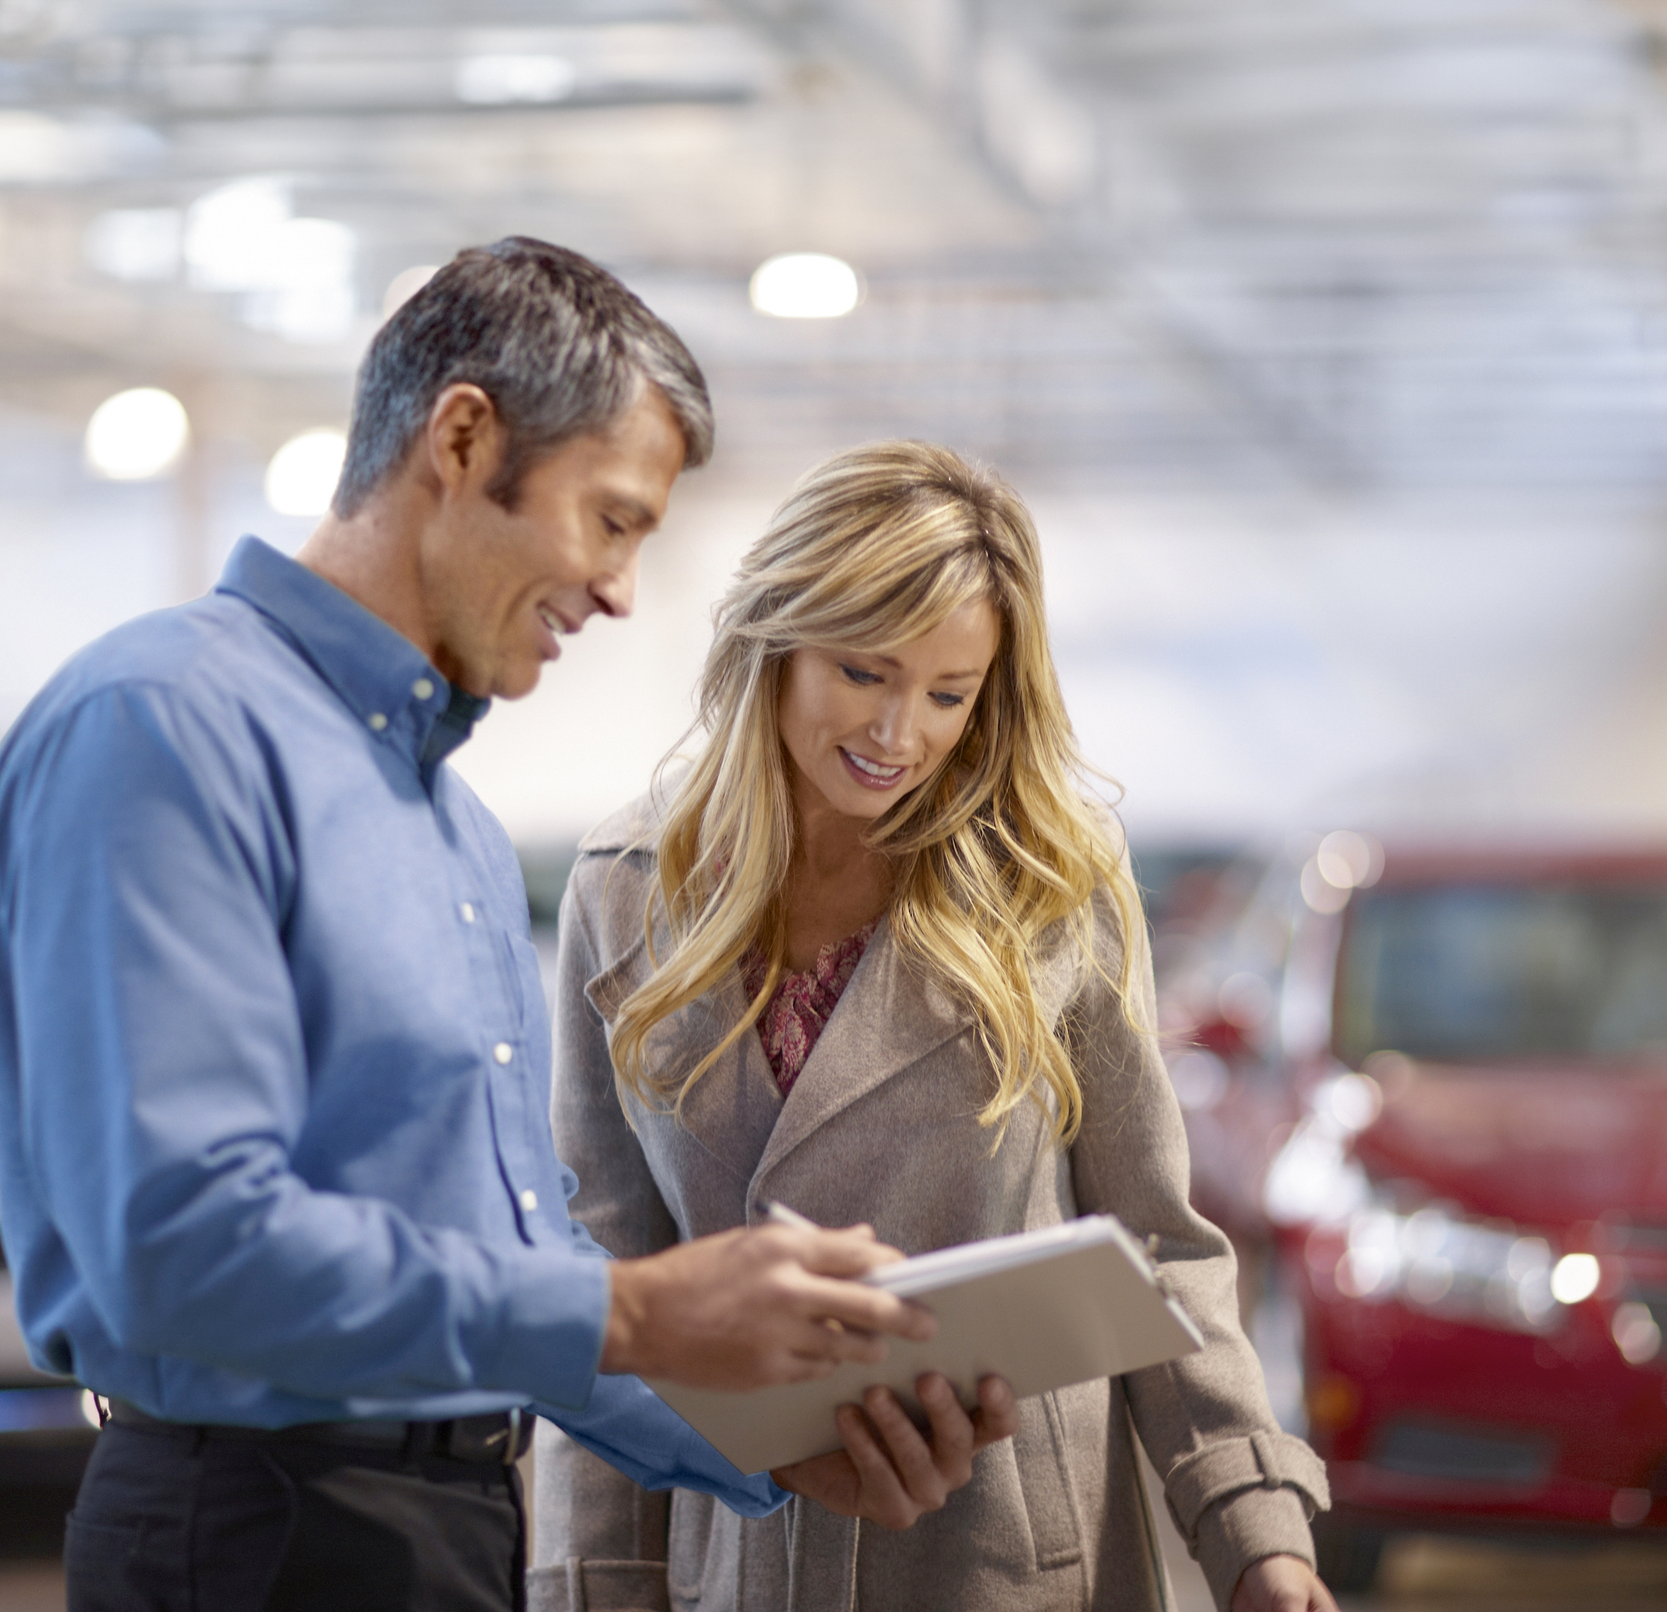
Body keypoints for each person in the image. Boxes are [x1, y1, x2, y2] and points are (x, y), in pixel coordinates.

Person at [0, 241, 1013, 1612]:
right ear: (460, 439)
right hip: (250, 1534)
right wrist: (644, 1310)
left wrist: (772, 1446)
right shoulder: (162, 730)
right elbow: (180, 1246)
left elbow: (516, 1263)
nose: (622, 589)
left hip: (444, 1526)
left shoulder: (446, 826)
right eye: (613, 520)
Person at [532, 441, 1337, 1612]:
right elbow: (607, 1279)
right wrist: (590, 1586)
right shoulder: (624, 887)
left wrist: (1254, 1530)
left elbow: (1157, 1239)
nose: (901, 735)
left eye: (949, 694)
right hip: (750, 1557)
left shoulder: (1050, 878)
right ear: (776, 639)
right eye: (865, 672)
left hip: (1012, 1556)